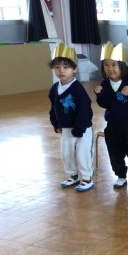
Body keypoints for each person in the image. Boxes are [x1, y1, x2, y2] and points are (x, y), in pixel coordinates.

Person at [94, 42, 128, 190]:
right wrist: (99, 95)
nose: (110, 68)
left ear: (122, 65)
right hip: (113, 125)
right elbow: (105, 104)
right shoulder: (105, 84)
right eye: (106, 65)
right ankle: (120, 175)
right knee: (114, 152)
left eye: (113, 65)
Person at [48, 42, 95, 192]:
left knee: (83, 153)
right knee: (67, 154)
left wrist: (79, 128)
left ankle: (87, 178)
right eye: (57, 67)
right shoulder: (54, 88)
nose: (61, 70)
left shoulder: (78, 89)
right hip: (66, 129)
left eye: (66, 67)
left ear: (74, 69)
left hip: (82, 129)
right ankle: (73, 176)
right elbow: (53, 108)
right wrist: (56, 124)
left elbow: (85, 110)